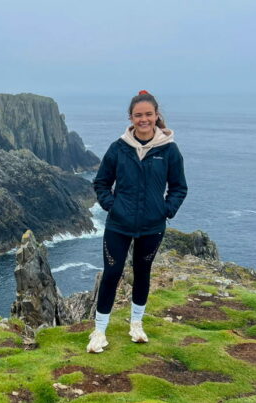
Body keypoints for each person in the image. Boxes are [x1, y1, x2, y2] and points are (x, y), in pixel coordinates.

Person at [87, 90, 187, 353]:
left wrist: (166, 210)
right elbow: (101, 182)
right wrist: (113, 206)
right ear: (131, 118)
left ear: (156, 116)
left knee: (143, 273)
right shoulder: (118, 148)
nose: (144, 119)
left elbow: (178, 187)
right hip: (118, 225)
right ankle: (99, 331)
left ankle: (136, 324)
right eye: (138, 115)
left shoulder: (169, 150)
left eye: (148, 114)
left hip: (152, 227)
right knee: (112, 274)